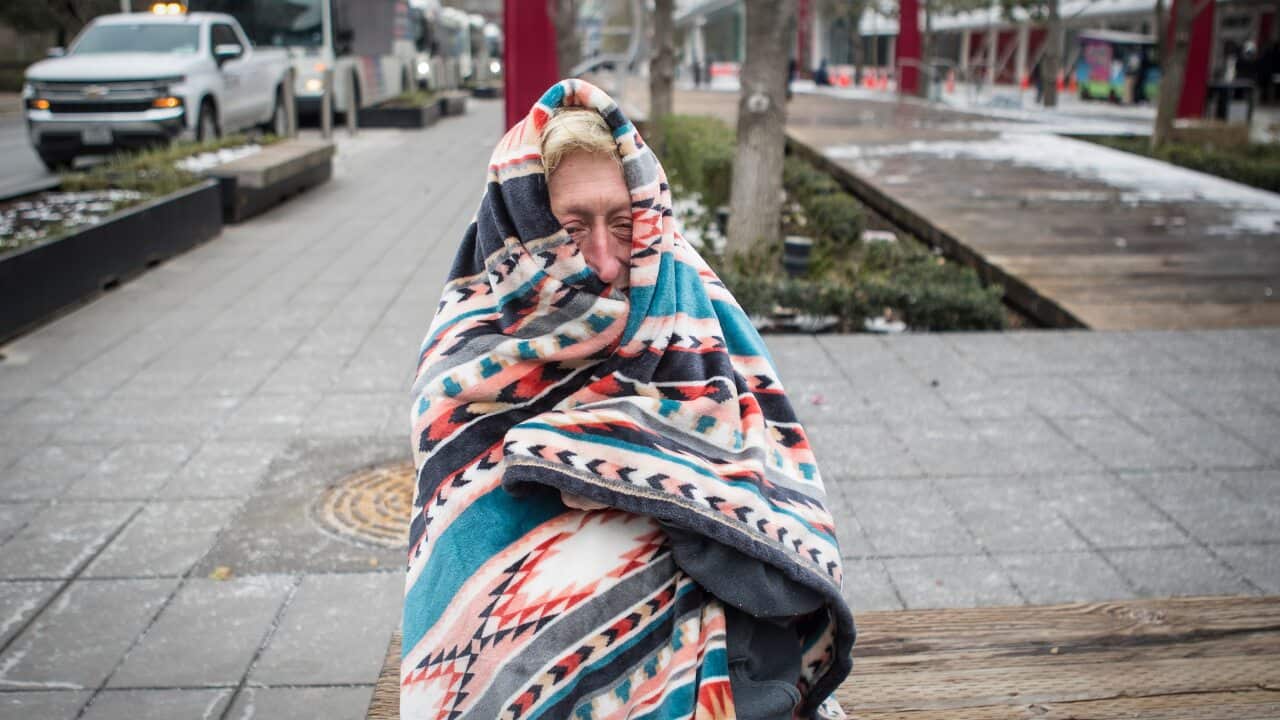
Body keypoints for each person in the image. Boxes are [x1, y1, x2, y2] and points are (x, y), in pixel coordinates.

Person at [401, 79, 854, 720]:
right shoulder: (468, 345)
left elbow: (762, 458)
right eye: (572, 227)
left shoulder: (680, 291)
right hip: (527, 640)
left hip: (690, 618)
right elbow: (465, 536)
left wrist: (611, 458)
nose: (609, 260)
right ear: (523, 223)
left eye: (623, 222)